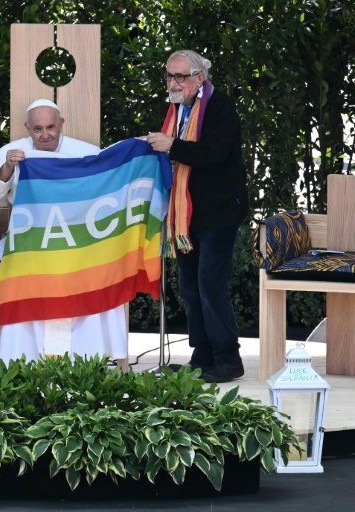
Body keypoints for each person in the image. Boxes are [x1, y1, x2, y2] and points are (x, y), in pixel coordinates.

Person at [0, 99, 128, 363]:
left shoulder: (87, 153)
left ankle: (86, 359)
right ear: (27, 128)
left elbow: (108, 189)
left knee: (98, 271)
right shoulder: (12, 152)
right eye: (38, 129)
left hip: (77, 242)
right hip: (28, 241)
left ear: (61, 124)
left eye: (51, 127)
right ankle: (22, 358)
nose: (45, 135)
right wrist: (8, 167)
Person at [144, 50, 249, 383]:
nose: (173, 83)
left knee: (210, 285)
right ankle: (201, 357)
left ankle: (228, 358)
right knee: (190, 287)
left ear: (199, 78)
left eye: (180, 77)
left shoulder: (220, 107)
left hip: (218, 212)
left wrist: (171, 146)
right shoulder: (178, 108)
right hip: (186, 213)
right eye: (169, 76)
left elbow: (213, 154)